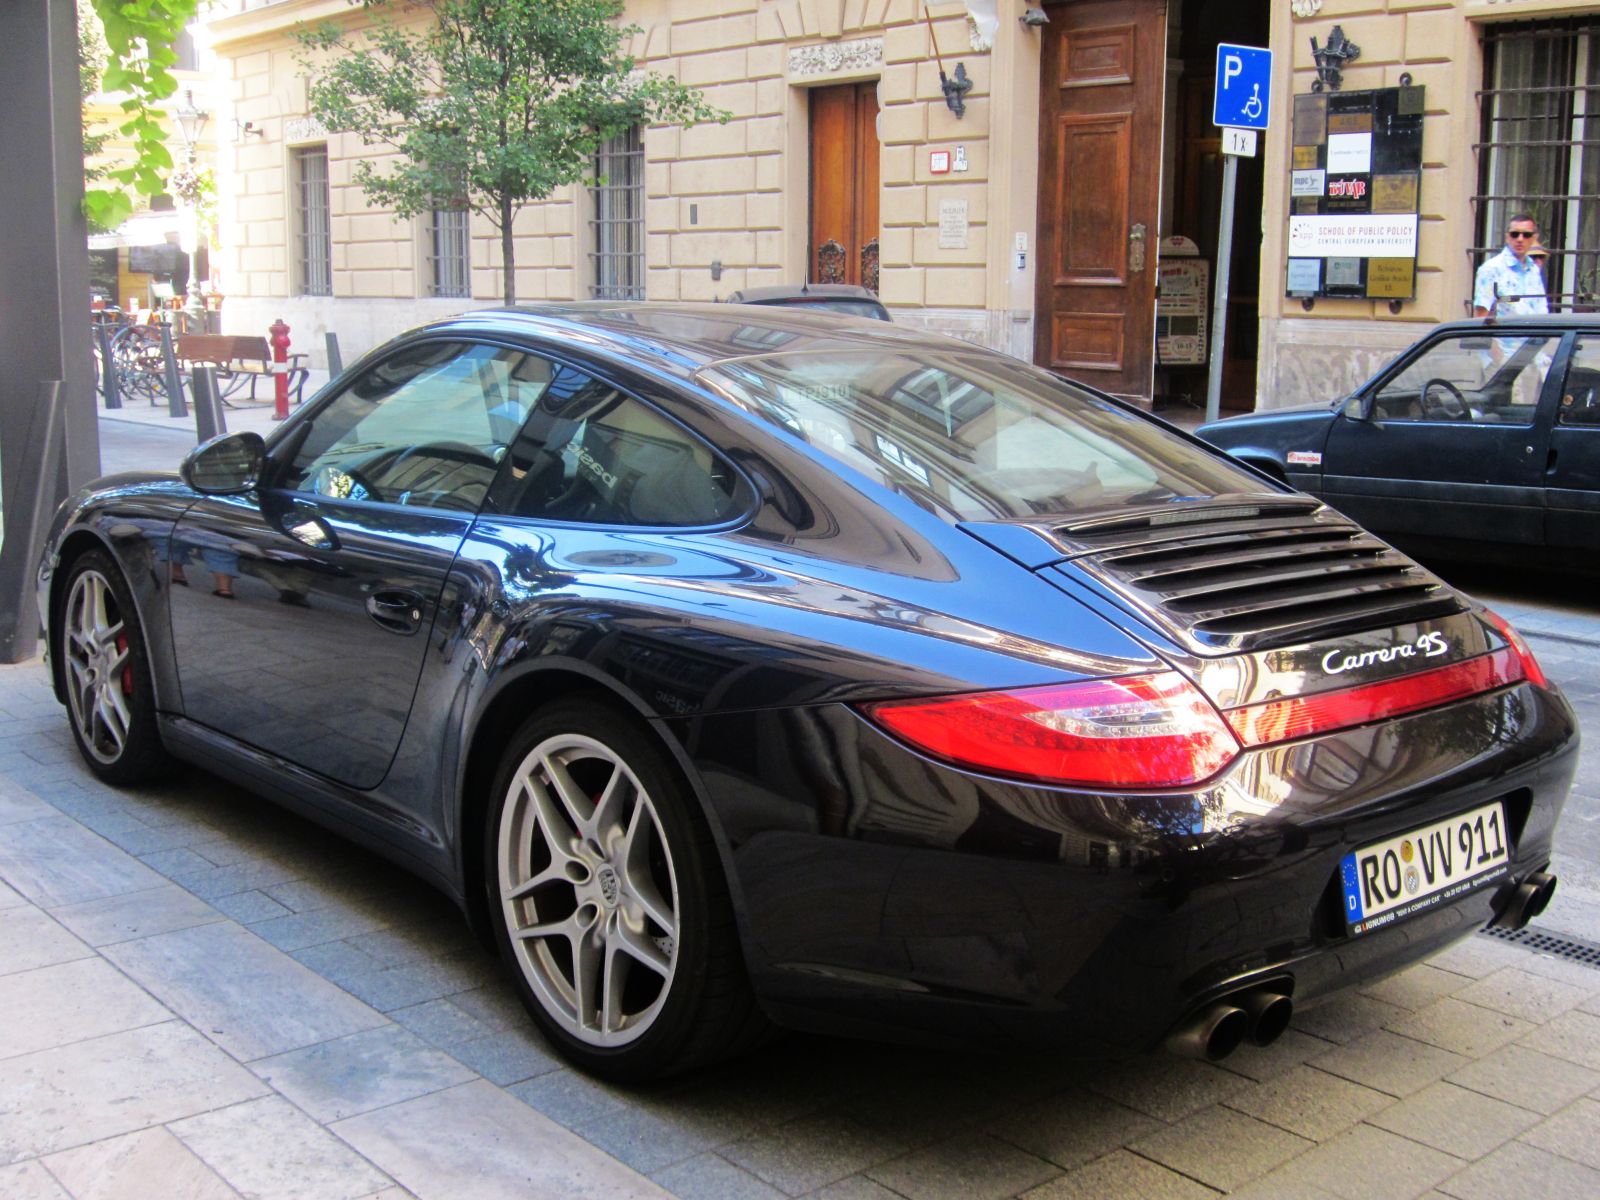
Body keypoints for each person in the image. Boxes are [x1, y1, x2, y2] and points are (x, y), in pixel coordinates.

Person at [1473, 214, 1549, 318]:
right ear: (1507, 237)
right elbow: (1482, 313)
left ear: (1533, 238)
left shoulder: (1533, 269)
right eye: (1515, 234)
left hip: (1533, 333)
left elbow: (1541, 309)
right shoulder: (1491, 269)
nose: (1520, 239)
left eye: (1526, 235)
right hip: (1503, 333)